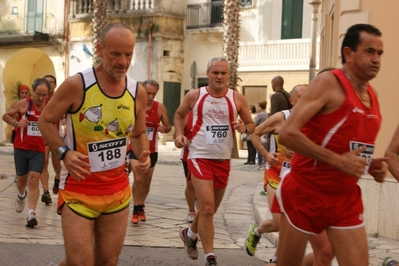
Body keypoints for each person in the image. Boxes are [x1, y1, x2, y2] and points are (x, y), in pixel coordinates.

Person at [38, 23, 151, 265]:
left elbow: (139, 134)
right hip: (78, 190)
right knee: (81, 263)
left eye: (128, 54)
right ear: (100, 49)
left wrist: (144, 155)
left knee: (107, 262)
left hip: (117, 191)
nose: (123, 61)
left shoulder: (136, 92)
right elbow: (45, 120)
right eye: (116, 54)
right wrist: (64, 153)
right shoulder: (77, 85)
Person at [276, 23, 388, 266]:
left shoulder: (373, 96)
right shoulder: (329, 83)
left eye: (379, 53)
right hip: (306, 192)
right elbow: (287, 134)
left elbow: (351, 146)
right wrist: (338, 161)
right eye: (369, 51)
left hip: (344, 198)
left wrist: (369, 165)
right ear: (348, 54)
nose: (376, 59)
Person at [174, 57, 255, 266]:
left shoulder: (237, 99)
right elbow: (179, 114)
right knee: (207, 207)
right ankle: (210, 256)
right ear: (208, 74)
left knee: (211, 209)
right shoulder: (195, 96)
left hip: (223, 160)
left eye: (224, 73)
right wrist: (179, 134)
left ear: (229, 75)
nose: (219, 76)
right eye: (215, 73)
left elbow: (251, 125)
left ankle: (190, 234)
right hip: (199, 156)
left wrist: (244, 128)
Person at [244, 85, 334, 265]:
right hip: (276, 176)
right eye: (301, 96)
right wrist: (266, 154)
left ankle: (279, 257)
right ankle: (257, 232)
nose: (307, 99)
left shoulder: (314, 120)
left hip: (301, 179)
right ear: (292, 101)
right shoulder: (281, 117)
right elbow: (254, 133)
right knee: (278, 222)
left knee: (292, 225)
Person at [2, 78, 51, 227]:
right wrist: (17, 123)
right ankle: (21, 195)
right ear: (33, 92)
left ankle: (31, 214)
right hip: (21, 148)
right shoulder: (24, 104)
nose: (41, 98)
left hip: (39, 150)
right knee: (22, 181)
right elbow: (5, 116)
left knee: (34, 179)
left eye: (44, 95)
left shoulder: (50, 107)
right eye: (38, 94)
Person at [129, 79, 171, 224]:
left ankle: (140, 205)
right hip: (135, 148)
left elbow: (168, 126)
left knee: (146, 182)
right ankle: (135, 209)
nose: (150, 96)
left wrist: (164, 129)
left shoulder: (160, 108)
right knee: (138, 178)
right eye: (148, 93)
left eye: (153, 93)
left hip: (151, 150)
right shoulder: (134, 105)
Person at [40, 74, 63, 205]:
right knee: (43, 163)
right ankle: (45, 192)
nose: (49, 84)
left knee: (57, 165)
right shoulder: (40, 99)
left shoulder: (59, 98)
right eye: (46, 82)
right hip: (42, 136)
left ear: (54, 85)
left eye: (51, 82)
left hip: (55, 135)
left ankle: (57, 179)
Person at [175, 111, 198, 223]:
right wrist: (181, 141)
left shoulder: (212, 114)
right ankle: (191, 211)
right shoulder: (187, 116)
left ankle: (202, 205)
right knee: (191, 184)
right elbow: (177, 142)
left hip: (209, 156)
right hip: (189, 156)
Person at [10, 84, 31, 183]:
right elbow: (10, 114)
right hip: (16, 130)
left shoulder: (31, 104)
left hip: (28, 131)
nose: (24, 95)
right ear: (19, 93)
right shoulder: (16, 104)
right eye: (22, 93)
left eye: (26, 93)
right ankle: (18, 173)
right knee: (18, 154)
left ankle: (27, 174)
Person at [254, 100, 269, 171]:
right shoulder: (267, 114)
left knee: (259, 149)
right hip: (266, 133)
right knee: (265, 149)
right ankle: (265, 163)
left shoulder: (260, 114)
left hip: (260, 133)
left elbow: (255, 123)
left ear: (260, 107)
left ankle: (260, 163)